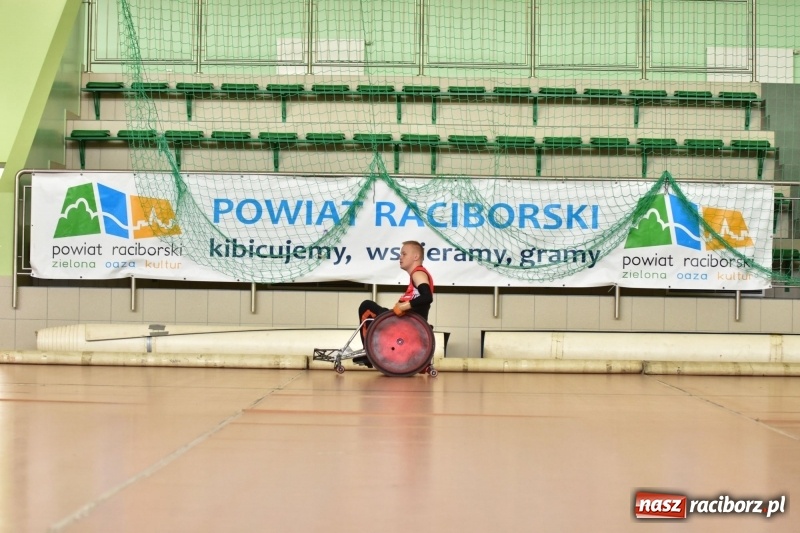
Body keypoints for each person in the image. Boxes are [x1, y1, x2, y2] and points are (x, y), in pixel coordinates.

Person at [353, 240, 434, 367]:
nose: (400, 257)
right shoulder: (417, 275)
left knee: (366, 306)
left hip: (408, 324)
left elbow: (427, 297)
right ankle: (372, 350)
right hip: (407, 322)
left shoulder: (418, 273)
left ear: (416, 257)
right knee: (375, 309)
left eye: (404, 254)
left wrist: (403, 305)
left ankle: (369, 352)